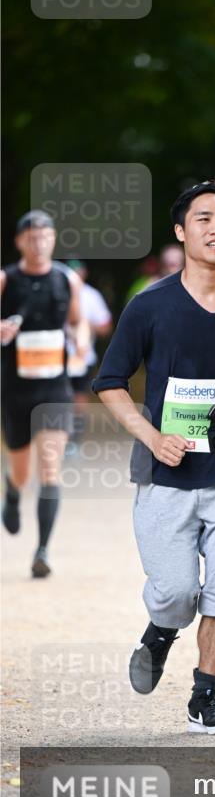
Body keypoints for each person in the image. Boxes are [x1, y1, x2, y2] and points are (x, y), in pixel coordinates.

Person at [93, 176, 215, 735]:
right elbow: (110, 382)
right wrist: (152, 438)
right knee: (176, 591)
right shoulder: (149, 305)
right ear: (181, 232)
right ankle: (161, 630)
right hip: (165, 474)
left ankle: (205, 698)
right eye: (203, 218)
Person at [1, 210, 85, 577]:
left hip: (55, 388)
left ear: (53, 240)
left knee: (50, 466)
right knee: (22, 471)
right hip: (15, 388)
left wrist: (80, 342)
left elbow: (78, 322)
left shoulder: (67, 281)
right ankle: (13, 492)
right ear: (20, 241)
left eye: (45, 237)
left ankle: (43, 550)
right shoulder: (6, 280)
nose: (39, 243)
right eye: (32, 237)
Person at [65, 260, 113, 438]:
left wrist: (85, 326)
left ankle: (75, 436)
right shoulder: (56, 290)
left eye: (77, 272)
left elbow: (105, 326)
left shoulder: (92, 296)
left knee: (79, 397)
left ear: (84, 273)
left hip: (83, 356)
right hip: (56, 356)